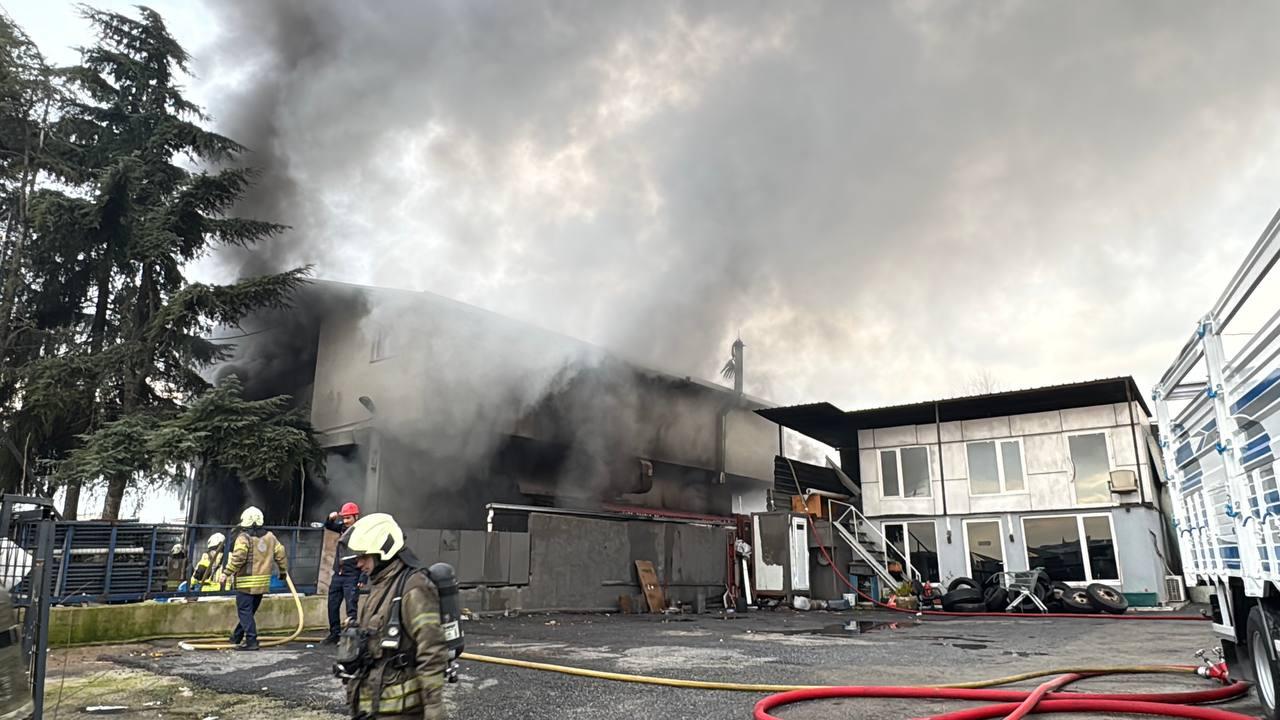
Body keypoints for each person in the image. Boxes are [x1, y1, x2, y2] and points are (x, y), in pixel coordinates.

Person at [340, 513, 447, 718]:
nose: (359, 563)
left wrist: (434, 707)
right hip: (374, 707)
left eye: (364, 556)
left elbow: (432, 650)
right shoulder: (382, 585)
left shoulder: (413, 588)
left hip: (400, 712)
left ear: (384, 552)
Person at [219, 506, 288, 651]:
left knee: (244, 611)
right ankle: (237, 636)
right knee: (248, 612)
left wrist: (226, 572)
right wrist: (283, 571)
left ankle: (251, 641)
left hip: (246, 583)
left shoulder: (244, 538)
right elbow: (280, 554)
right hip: (262, 584)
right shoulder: (271, 537)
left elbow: (239, 557)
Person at [322, 502, 365, 644]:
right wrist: (330, 518)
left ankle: (350, 636)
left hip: (352, 575)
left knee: (351, 607)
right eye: (344, 518)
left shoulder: (361, 532)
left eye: (348, 518)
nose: (345, 521)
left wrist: (363, 577)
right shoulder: (342, 528)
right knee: (332, 605)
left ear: (356, 517)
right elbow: (328, 525)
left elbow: (367, 555)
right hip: (339, 574)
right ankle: (334, 633)